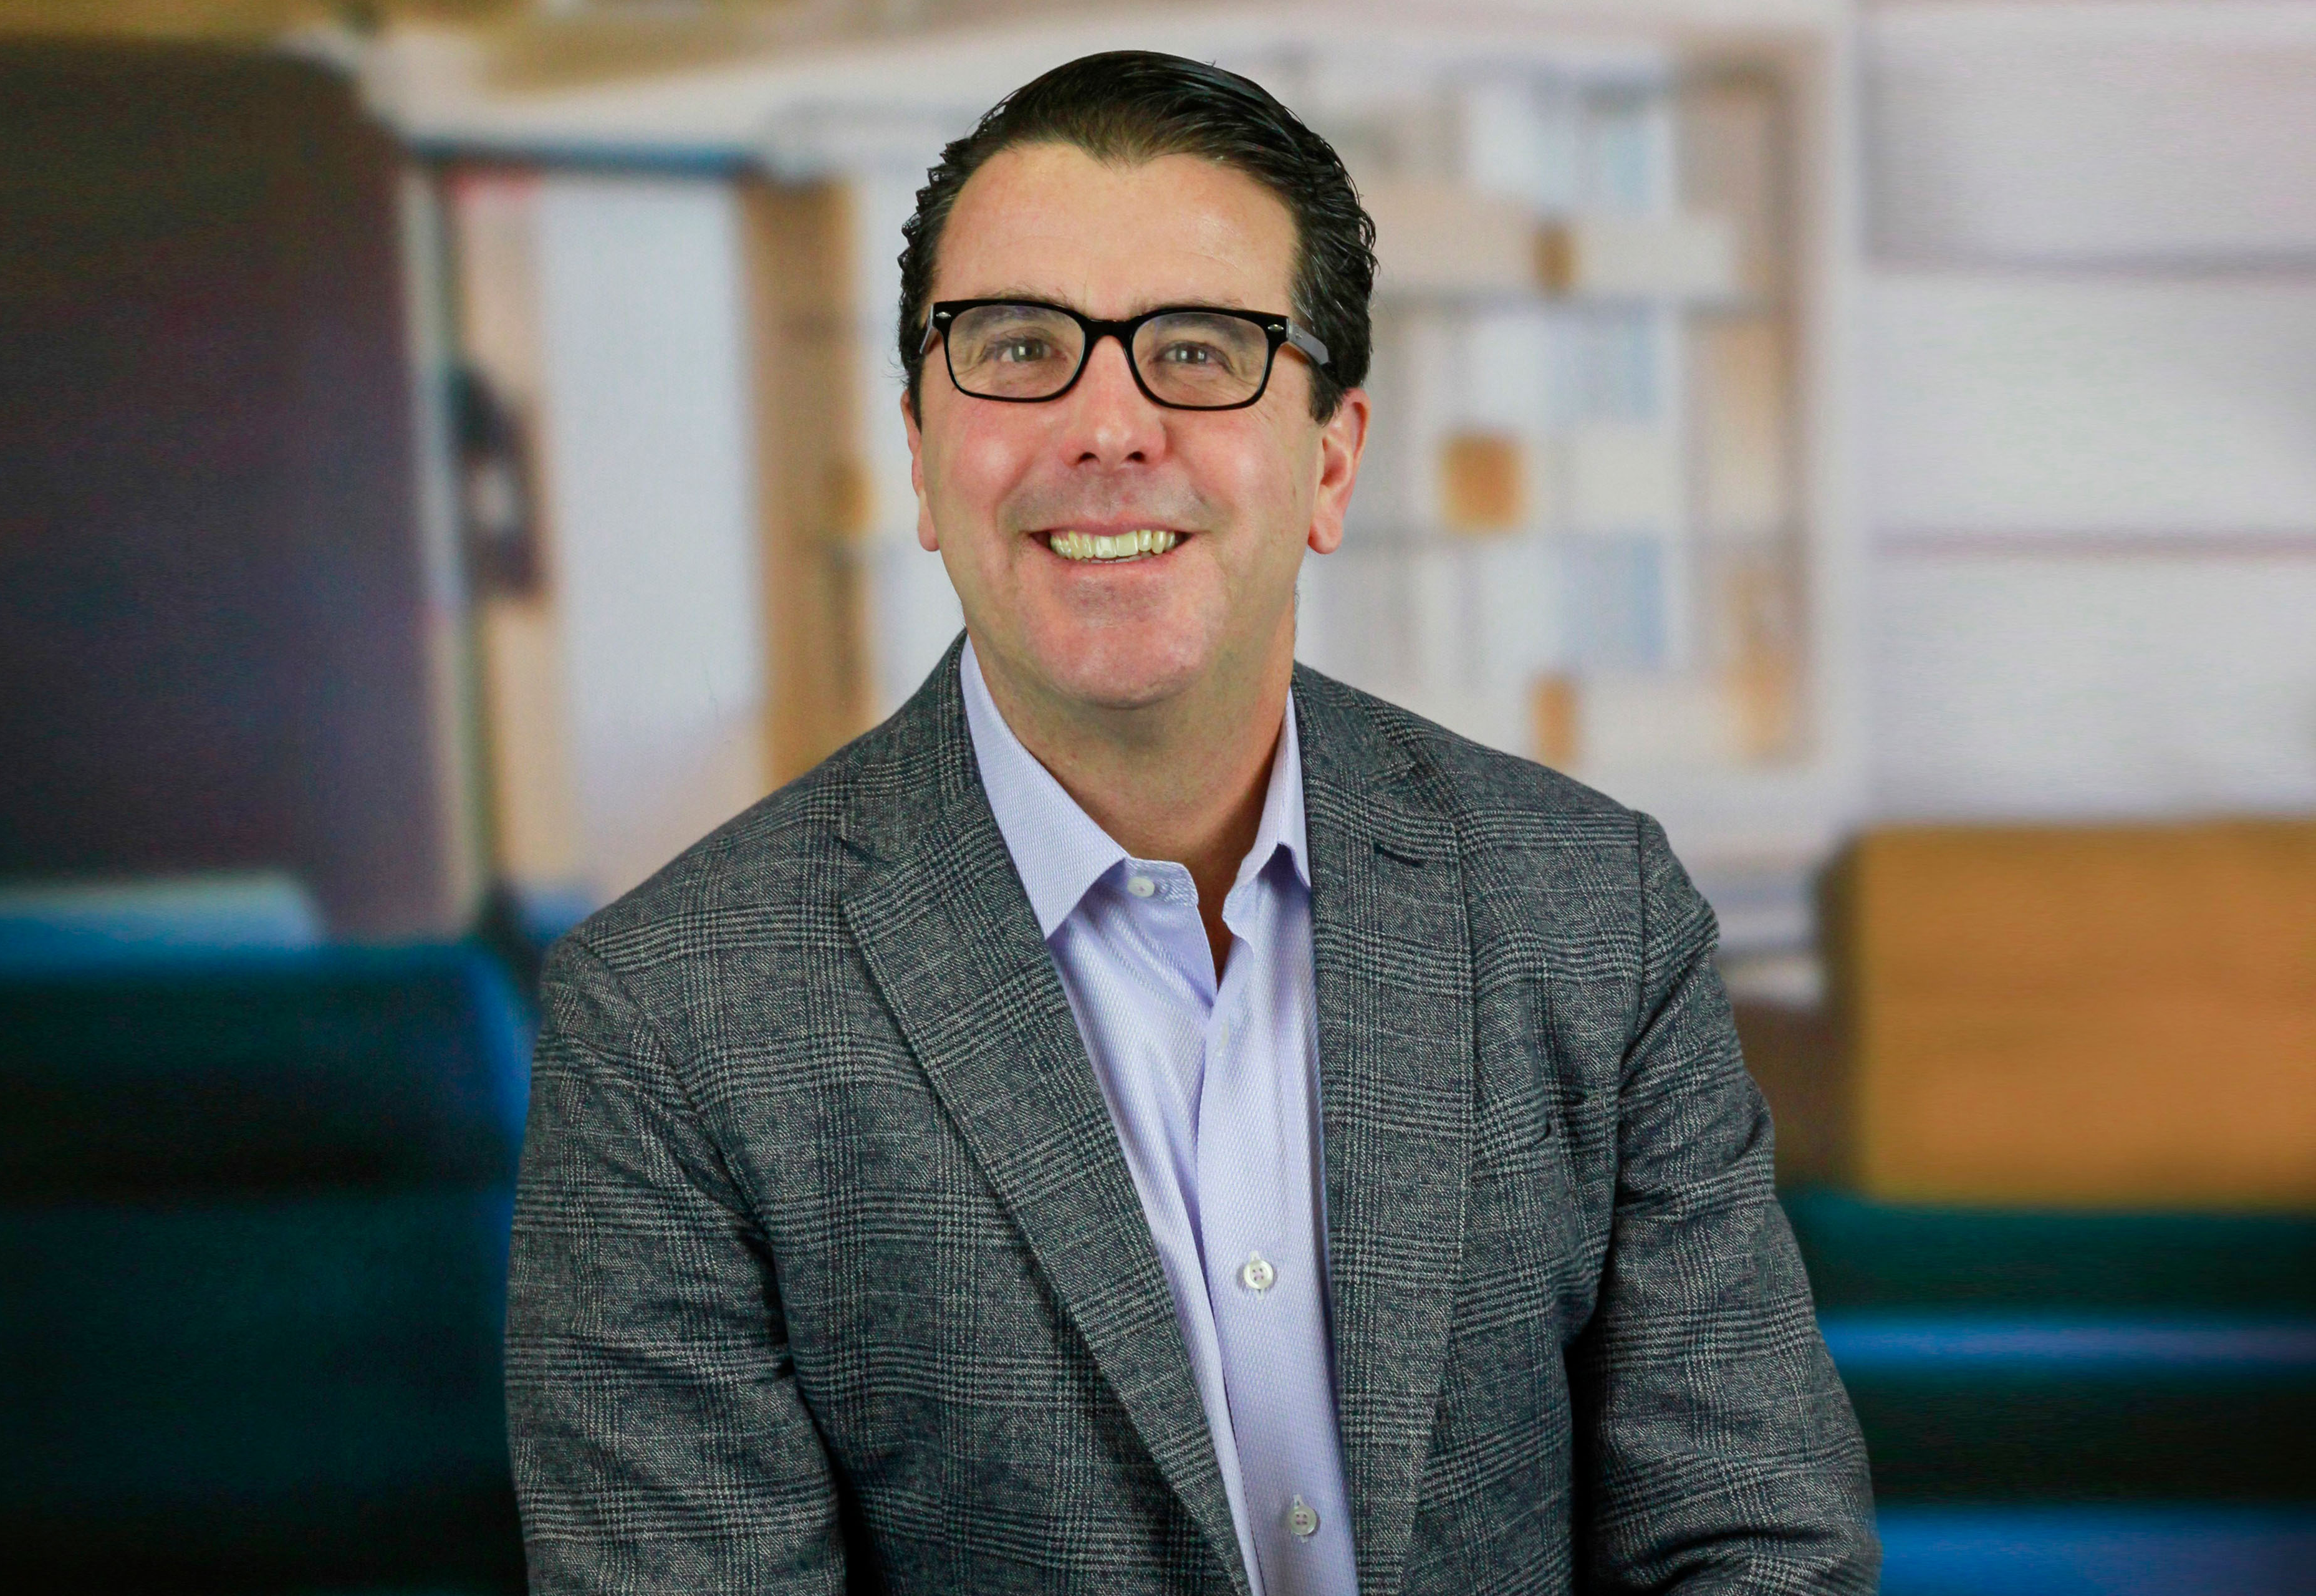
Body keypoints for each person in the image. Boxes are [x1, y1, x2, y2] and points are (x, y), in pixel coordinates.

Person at [506, 50, 1878, 1596]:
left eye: (1200, 350)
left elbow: (1754, 1537)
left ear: (1331, 463)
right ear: (922, 457)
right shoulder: (671, 1018)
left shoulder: (1593, 913)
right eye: (1019, 347)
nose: (1107, 426)